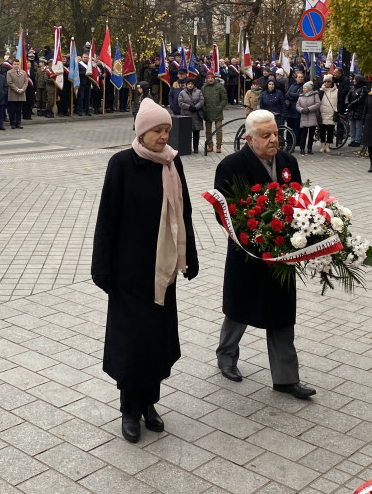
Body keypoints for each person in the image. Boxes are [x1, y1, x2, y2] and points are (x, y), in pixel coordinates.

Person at [91, 98, 199, 443]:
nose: (164, 136)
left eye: (166, 130)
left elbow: (184, 214)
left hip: (162, 272)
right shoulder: (121, 163)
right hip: (129, 272)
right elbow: (107, 217)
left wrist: (190, 256)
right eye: (158, 130)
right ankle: (129, 409)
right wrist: (101, 267)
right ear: (142, 131)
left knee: (157, 341)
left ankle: (150, 402)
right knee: (131, 343)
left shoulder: (172, 164)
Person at [213, 110, 314, 400]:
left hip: (282, 254)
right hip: (247, 253)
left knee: (282, 312)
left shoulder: (288, 162)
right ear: (249, 138)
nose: (274, 140)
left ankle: (285, 378)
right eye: (266, 136)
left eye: (276, 133)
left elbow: (298, 200)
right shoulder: (231, 166)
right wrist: (257, 233)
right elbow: (225, 213)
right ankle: (226, 355)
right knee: (239, 307)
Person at [201, 71, 228, 153]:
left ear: (214, 78)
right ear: (206, 79)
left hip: (217, 112)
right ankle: (210, 145)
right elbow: (201, 100)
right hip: (207, 111)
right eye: (208, 78)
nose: (210, 79)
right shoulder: (204, 88)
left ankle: (219, 146)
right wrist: (204, 108)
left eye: (211, 78)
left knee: (219, 130)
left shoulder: (220, 87)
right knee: (208, 131)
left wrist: (220, 107)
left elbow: (224, 99)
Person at [177, 77, 205, 154]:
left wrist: (196, 107)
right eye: (188, 84)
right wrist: (189, 107)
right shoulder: (182, 93)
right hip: (186, 115)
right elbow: (180, 103)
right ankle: (187, 148)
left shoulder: (199, 92)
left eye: (191, 84)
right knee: (187, 133)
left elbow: (201, 101)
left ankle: (196, 148)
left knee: (196, 133)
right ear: (186, 85)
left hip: (196, 115)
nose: (190, 85)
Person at [317, 73, 340, 153]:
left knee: (330, 130)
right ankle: (323, 145)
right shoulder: (321, 90)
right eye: (325, 81)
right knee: (322, 130)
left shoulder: (336, 91)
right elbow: (317, 100)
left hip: (332, 112)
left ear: (331, 82)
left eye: (328, 82)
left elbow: (339, 101)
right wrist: (321, 91)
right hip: (322, 112)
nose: (326, 83)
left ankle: (328, 146)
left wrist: (337, 110)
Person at [296, 82, 319, 155]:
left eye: (305, 88)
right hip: (304, 117)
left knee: (311, 134)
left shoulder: (315, 95)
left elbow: (318, 104)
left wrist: (309, 109)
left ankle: (310, 148)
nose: (303, 89)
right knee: (303, 134)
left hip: (312, 116)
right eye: (303, 88)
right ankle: (302, 148)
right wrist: (301, 110)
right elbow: (297, 105)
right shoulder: (301, 96)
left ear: (309, 89)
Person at [6, 59, 29, 129]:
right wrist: (17, 89)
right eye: (15, 64)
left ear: (20, 65)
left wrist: (22, 89)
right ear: (12, 65)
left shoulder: (23, 72)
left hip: (21, 94)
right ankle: (12, 123)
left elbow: (26, 82)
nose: (16, 65)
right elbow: (9, 82)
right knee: (12, 110)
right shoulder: (9, 72)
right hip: (13, 94)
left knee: (19, 110)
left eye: (17, 64)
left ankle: (18, 123)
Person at [346, 75, 368, 148]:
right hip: (351, 110)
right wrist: (347, 103)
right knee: (352, 125)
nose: (353, 81)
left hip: (359, 109)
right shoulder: (352, 88)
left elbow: (361, 98)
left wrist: (352, 104)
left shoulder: (363, 89)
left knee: (358, 126)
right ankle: (352, 139)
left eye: (354, 80)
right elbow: (347, 95)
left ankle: (357, 140)